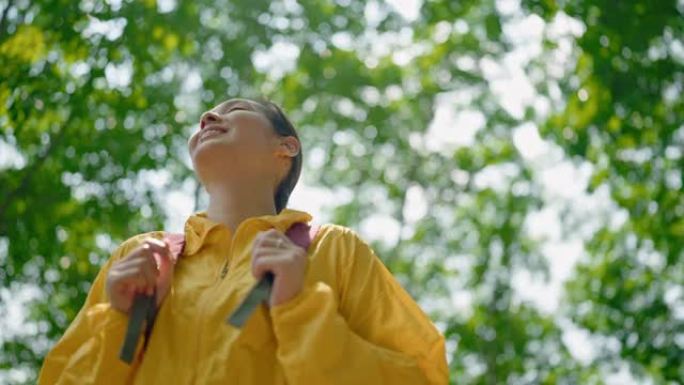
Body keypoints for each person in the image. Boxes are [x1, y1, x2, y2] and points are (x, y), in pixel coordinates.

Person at [37, 98, 448, 384]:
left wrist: (300, 308)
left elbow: (419, 376)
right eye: (206, 115)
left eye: (235, 110)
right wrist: (120, 321)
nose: (207, 117)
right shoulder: (138, 258)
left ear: (286, 147)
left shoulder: (334, 251)